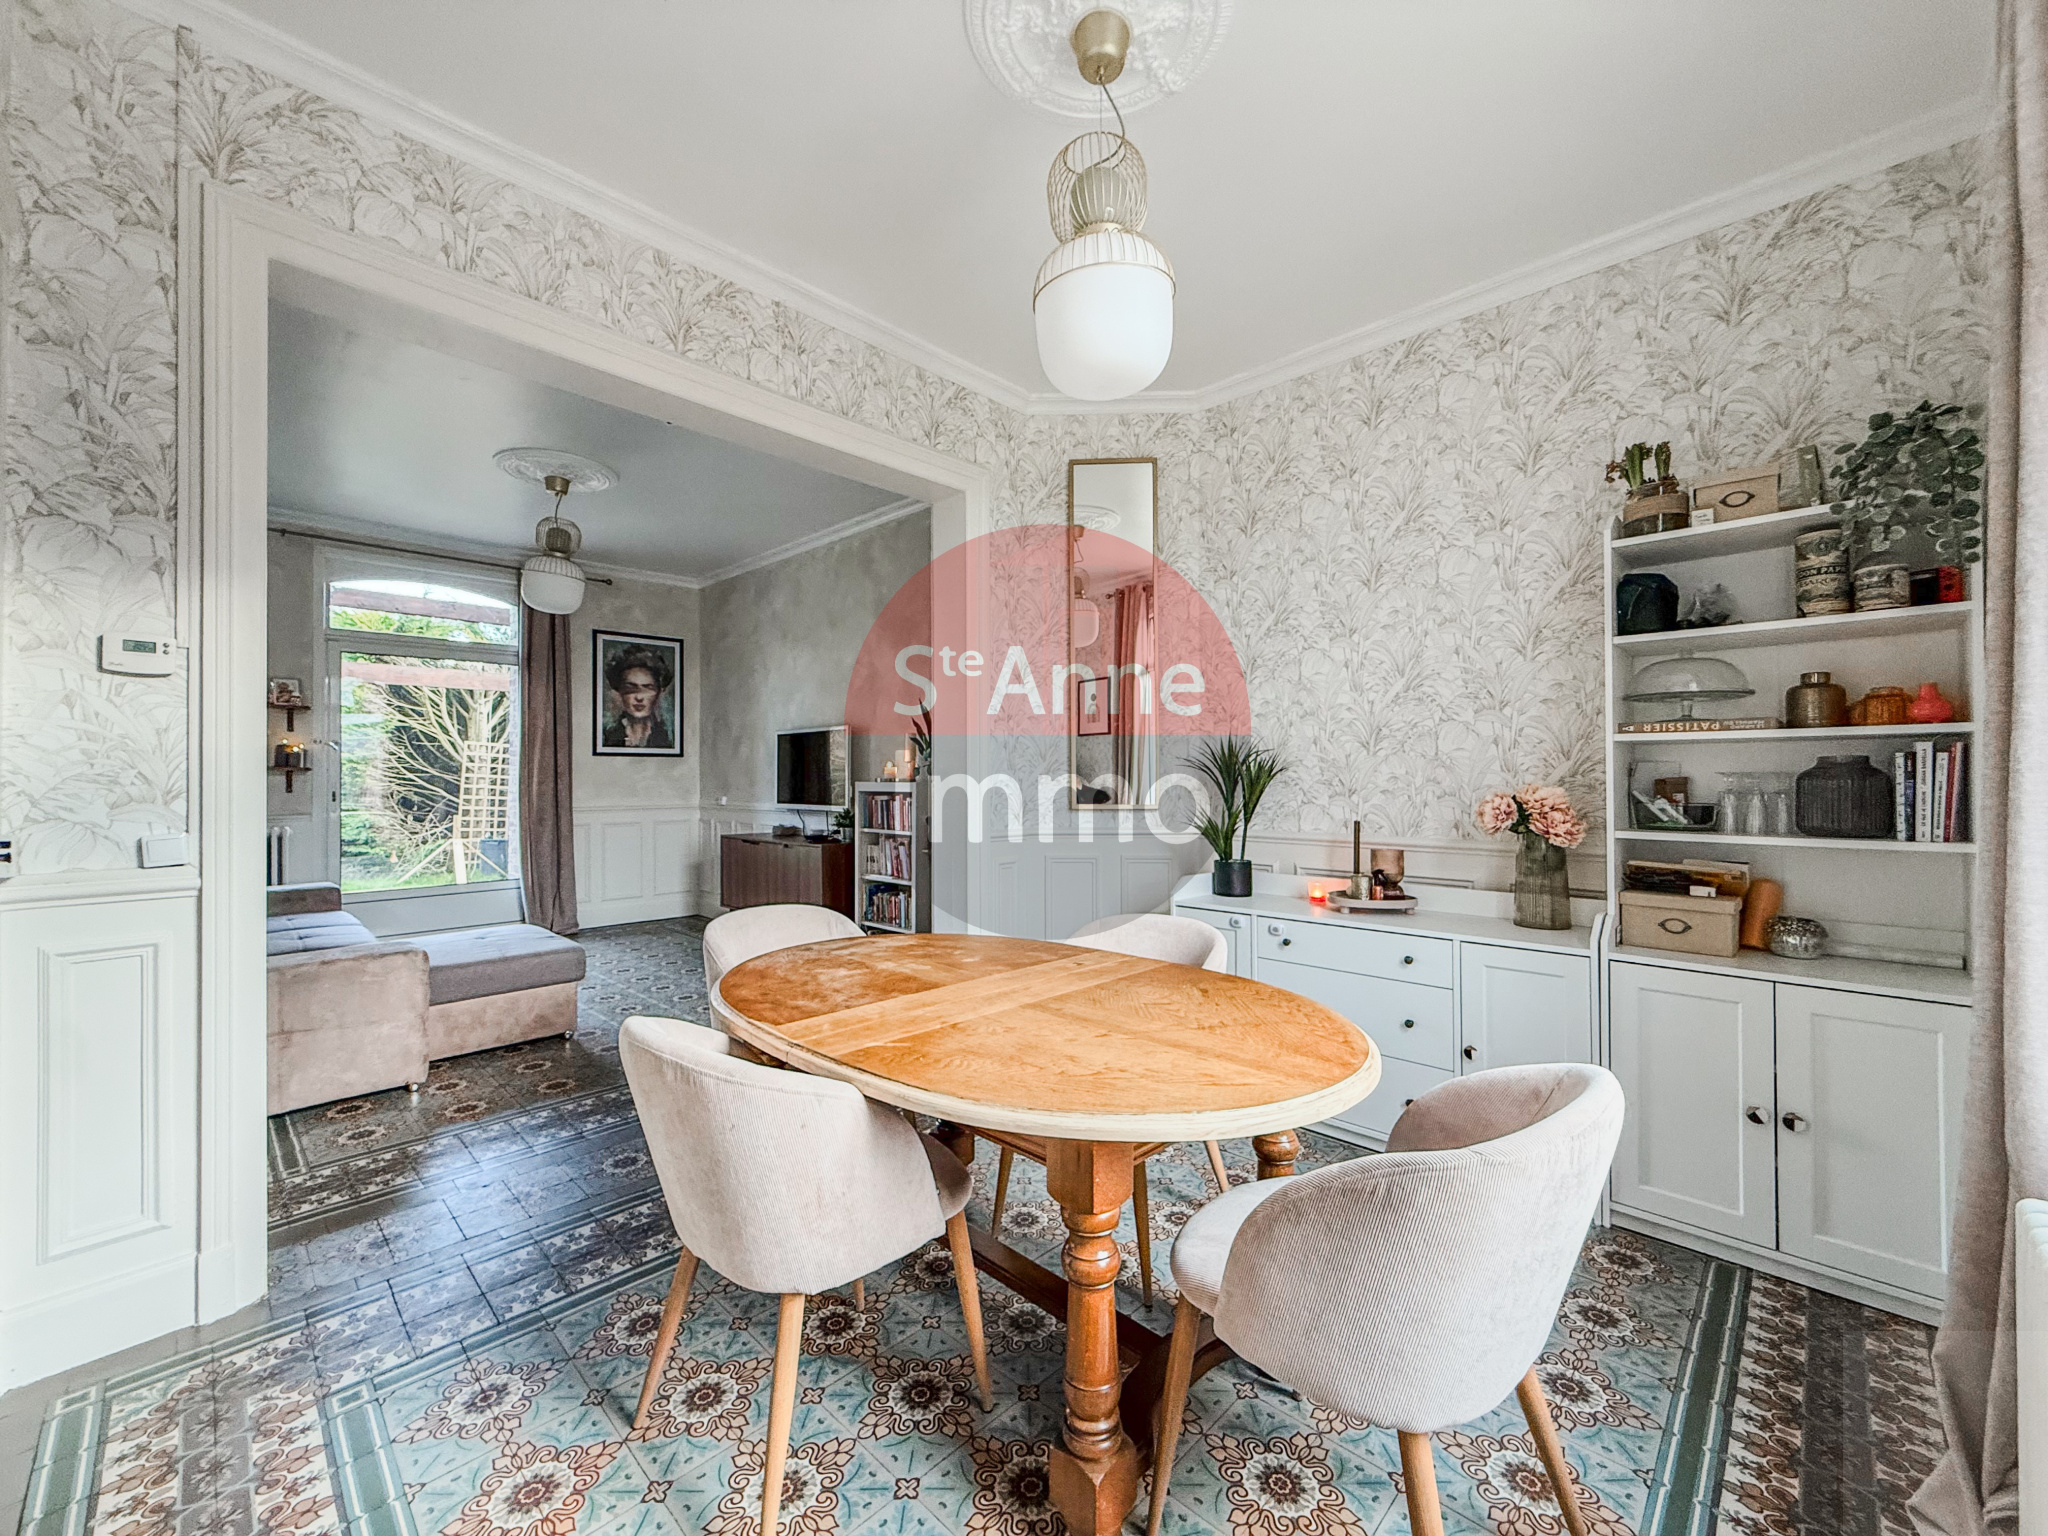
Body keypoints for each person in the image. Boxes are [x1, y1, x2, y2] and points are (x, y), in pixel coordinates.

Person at [602, 644, 674, 750]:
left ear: (659, 692)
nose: (639, 697)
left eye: (648, 688)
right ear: (619, 690)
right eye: (630, 688)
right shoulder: (606, 735)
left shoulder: (669, 736)